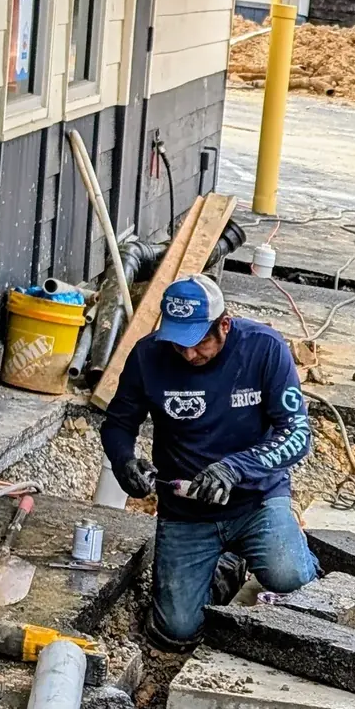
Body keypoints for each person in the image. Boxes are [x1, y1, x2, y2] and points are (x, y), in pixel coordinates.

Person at [101, 274, 317, 648]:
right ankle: (227, 568)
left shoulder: (264, 349)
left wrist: (235, 468)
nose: (188, 354)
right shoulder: (148, 356)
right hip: (187, 512)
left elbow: (298, 434)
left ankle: (288, 551)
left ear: (224, 325)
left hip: (256, 501)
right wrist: (124, 463)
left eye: (199, 342)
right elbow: (118, 423)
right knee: (176, 630)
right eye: (178, 343)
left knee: (292, 581)